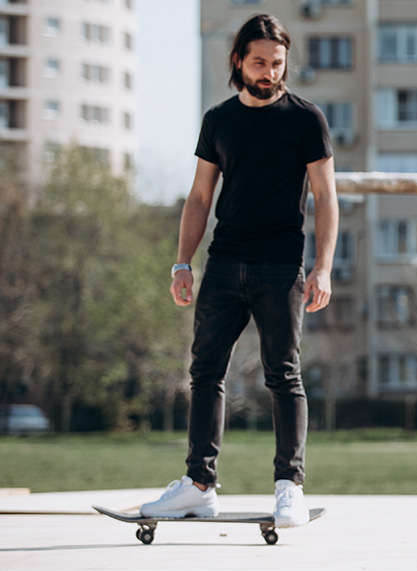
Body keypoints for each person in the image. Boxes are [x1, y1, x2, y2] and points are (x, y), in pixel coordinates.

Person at [140, 14, 338, 529]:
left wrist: (323, 267)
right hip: (223, 263)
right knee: (205, 371)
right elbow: (201, 195)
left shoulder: (306, 119)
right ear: (238, 61)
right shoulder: (220, 119)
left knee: (283, 375)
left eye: (277, 62)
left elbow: (326, 198)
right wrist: (183, 261)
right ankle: (198, 485)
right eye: (259, 62)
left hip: (280, 266)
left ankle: (288, 486)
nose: (269, 71)